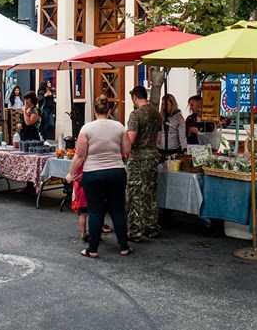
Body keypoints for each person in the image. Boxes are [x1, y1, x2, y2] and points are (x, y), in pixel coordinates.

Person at [65, 96, 132, 258]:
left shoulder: (86, 129)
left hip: (93, 174)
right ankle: (124, 247)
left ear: (94, 111)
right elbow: (127, 149)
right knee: (117, 210)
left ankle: (93, 249)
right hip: (116, 172)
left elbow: (80, 155)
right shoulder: (119, 126)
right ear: (109, 111)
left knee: (95, 212)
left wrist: (71, 173)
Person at [125, 85, 162, 243]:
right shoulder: (156, 114)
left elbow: (130, 140)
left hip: (138, 158)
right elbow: (159, 139)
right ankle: (150, 225)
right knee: (150, 193)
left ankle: (136, 230)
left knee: (135, 194)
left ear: (134, 97)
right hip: (153, 157)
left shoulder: (135, 115)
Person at [156, 93, 188, 159]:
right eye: (162, 104)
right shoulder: (160, 117)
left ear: (172, 104)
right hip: (159, 151)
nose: (164, 107)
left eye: (166, 104)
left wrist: (185, 149)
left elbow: (182, 135)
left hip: (173, 151)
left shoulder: (179, 118)